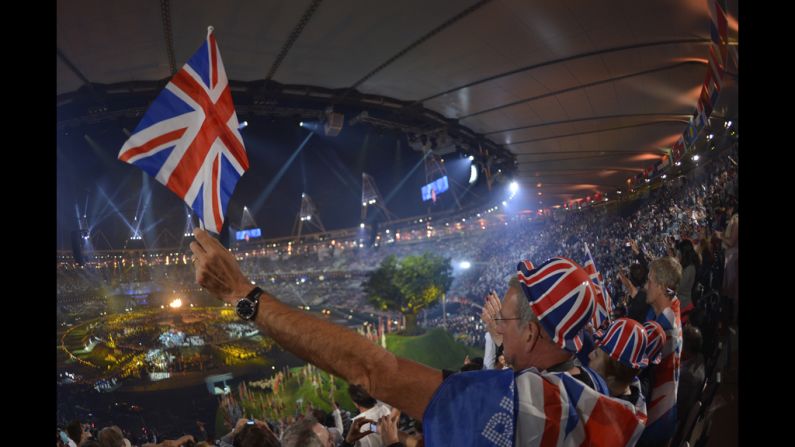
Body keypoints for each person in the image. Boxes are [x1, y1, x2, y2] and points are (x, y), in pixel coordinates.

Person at [190, 229, 644, 445]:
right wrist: (496, 344)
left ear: (531, 331)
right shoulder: (593, 384)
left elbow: (372, 368)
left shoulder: (531, 402)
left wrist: (242, 294)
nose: (497, 331)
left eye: (502, 323)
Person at [638, 257, 683, 447]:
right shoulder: (671, 303)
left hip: (656, 421)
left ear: (662, 286)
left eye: (650, 280)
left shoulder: (664, 328)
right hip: (664, 410)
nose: (646, 286)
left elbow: (627, 366)